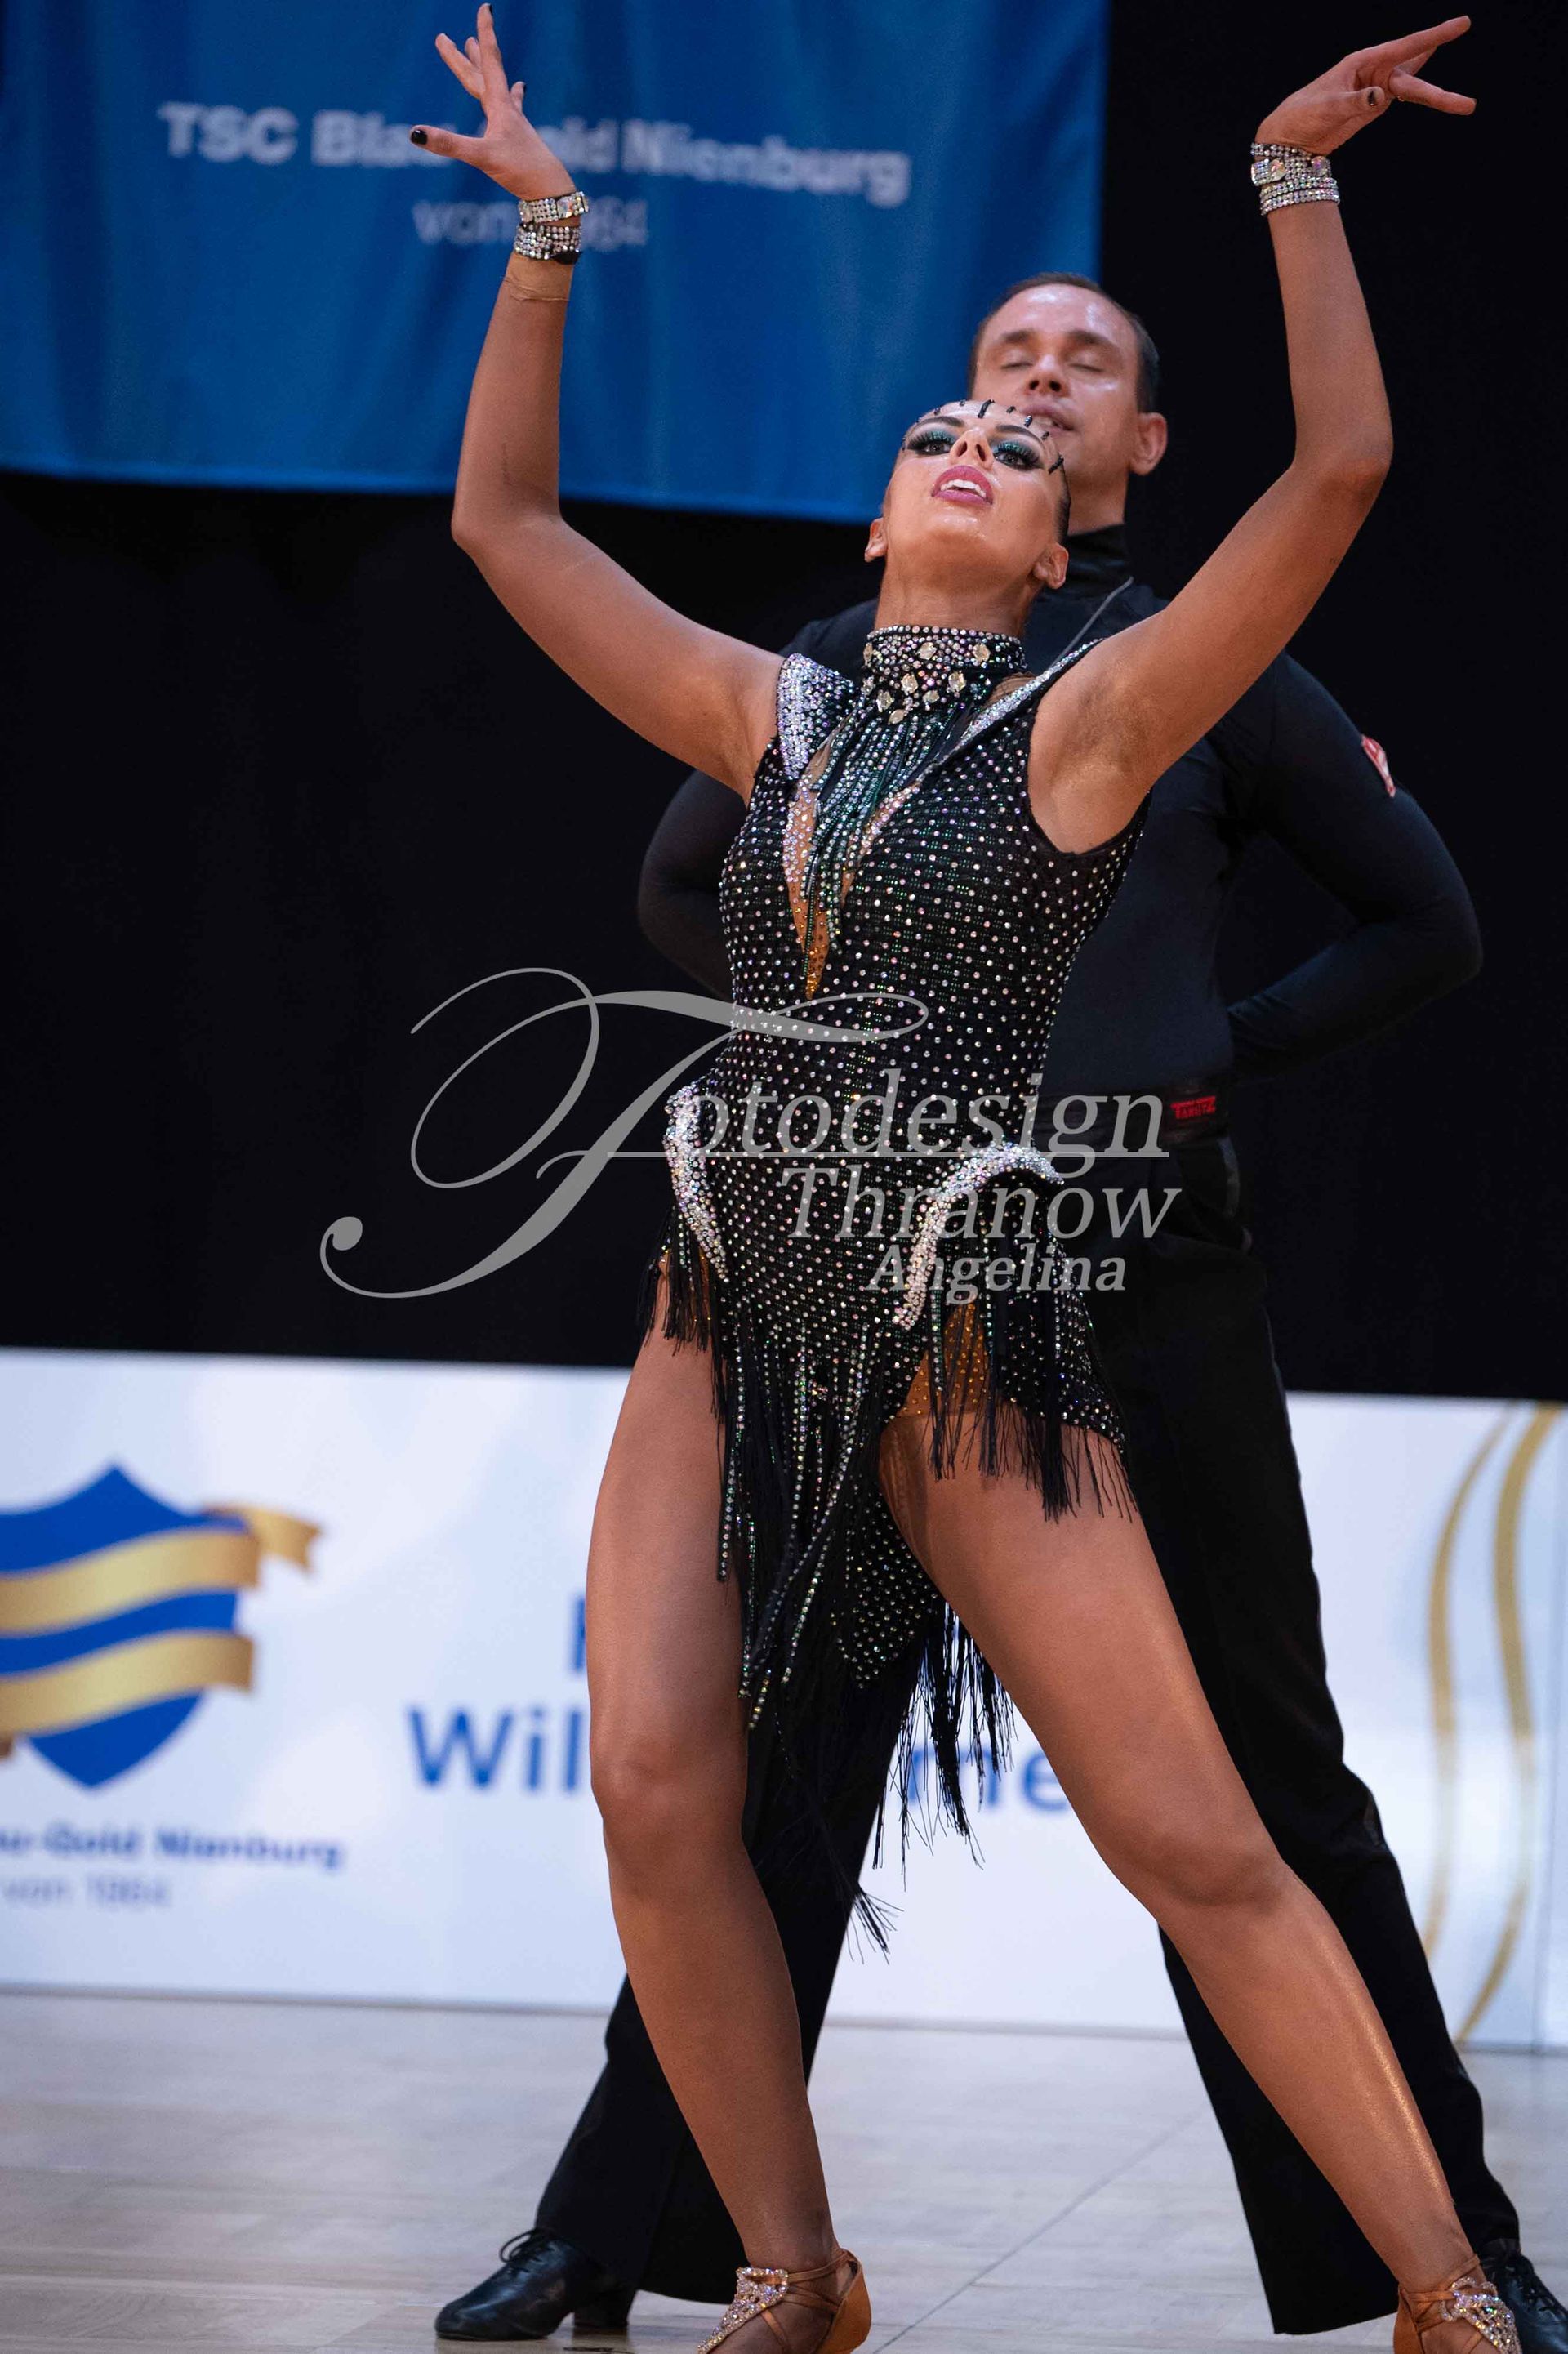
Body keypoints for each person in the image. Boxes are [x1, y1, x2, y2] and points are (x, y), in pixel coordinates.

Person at [415, 14, 1522, 2352]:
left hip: (969, 1325)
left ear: (1054, 547)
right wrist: (547, 236)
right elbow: (505, 528)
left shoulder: (1100, 722)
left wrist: (1293, 181)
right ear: (876, 517)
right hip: (726, 1301)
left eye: (1024, 444)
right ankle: (792, 2267)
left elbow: (1343, 469)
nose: (981, 440)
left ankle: (1446, 2285)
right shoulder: (771, 709)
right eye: (943, 424)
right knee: (658, 1785)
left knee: (1197, 1827)